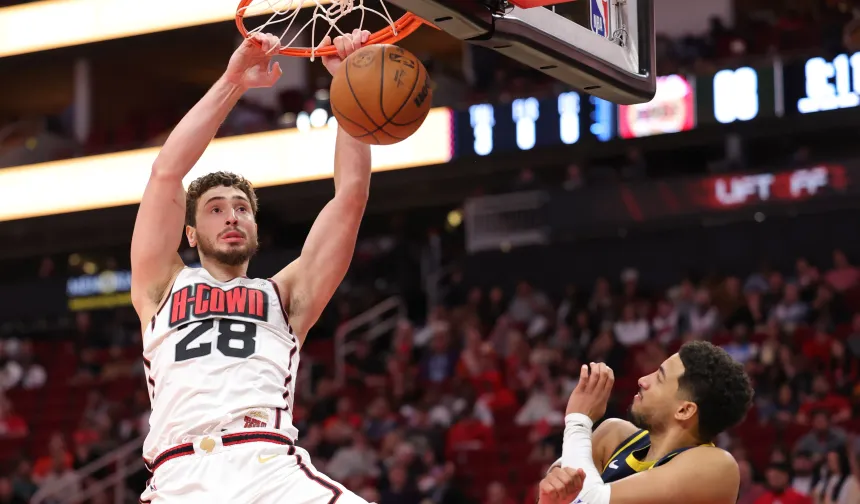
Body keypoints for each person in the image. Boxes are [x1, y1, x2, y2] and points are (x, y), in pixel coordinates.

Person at [130, 29, 376, 503]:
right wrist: (233, 81)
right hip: (180, 473)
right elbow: (166, 173)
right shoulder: (161, 285)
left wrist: (348, 85)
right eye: (216, 209)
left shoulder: (286, 296)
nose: (232, 217)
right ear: (191, 234)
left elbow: (350, 196)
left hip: (267, 467)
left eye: (242, 208)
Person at [537, 340, 754, 504]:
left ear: (684, 409)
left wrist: (578, 419)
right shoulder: (613, 435)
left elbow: (588, 500)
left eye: (659, 378)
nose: (643, 380)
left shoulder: (716, 466)